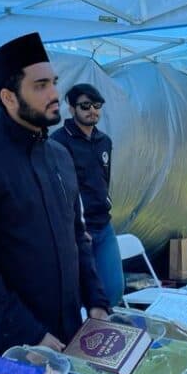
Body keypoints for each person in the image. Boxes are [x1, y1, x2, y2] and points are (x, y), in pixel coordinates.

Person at [0, 32, 110, 357]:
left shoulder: (60, 155)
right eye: (40, 86)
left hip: (69, 332)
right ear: (8, 97)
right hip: (11, 344)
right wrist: (28, 332)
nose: (54, 94)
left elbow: (77, 236)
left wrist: (97, 302)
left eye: (53, 82)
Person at [51, 83, 124, 306]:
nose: (92, 110)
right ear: (71, 109)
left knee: (114, 290)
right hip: (78, 232)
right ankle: (86, 338)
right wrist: (74, 229)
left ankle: (108, 337)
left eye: (97, 105)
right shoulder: (57, 143)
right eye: (85, 106)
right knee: (81, 295)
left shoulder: (104, 140)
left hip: (104, 225)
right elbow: (58, 192)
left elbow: (104, 180)